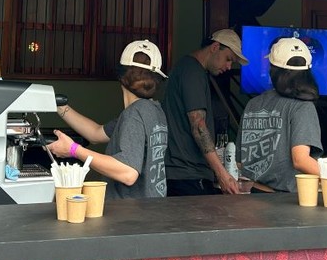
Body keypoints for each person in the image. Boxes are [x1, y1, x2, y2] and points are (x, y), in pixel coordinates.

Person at [50, 40, 168, 199]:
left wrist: (73, 150)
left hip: (132, 217)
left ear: (121, 76)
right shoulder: (154, 110)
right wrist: (59, 106)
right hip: (150, 212)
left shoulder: (134, 114)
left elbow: (128, 173)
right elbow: (95, 133)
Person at [163, 29, 247, 196]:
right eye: (228, 59)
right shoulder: (193, 72)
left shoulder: (187, 68)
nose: (229, 66)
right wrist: (222, 174)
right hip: (188, 175)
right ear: (215, 47)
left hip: (183, 174)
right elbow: (199, 126)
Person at [238, 38, 323, 192]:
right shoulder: (303, 106)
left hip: (255, 193)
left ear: (273, 69)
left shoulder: (253, 104)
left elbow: (240, 161)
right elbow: (300, 160)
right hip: (285, 201)